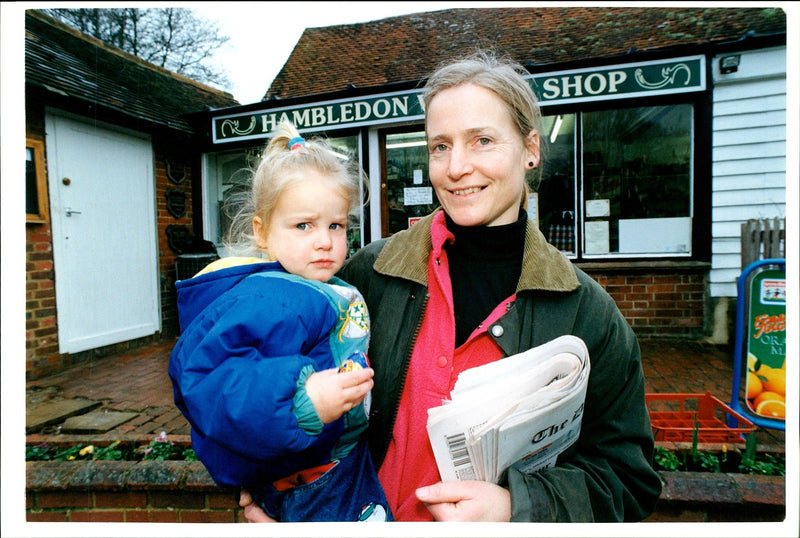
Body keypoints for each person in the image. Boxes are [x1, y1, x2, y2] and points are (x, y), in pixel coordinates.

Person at [241, 50, 662, 523]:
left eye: (482, 140)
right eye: (440, 146)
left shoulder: (587, 311)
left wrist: (514, 507)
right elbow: (264, 379)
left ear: (530, 149)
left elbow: (629, 478)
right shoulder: (369, 273)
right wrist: (274, 492)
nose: (456, 167)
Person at [169, 121, 392, 522]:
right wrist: (303, 401)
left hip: (335, 463)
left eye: (335, 225)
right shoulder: (272, 296)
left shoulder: (315, 285)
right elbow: (209, 380)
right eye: (303, 225)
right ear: (263, 232)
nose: (324, 240)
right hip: (309, 480)